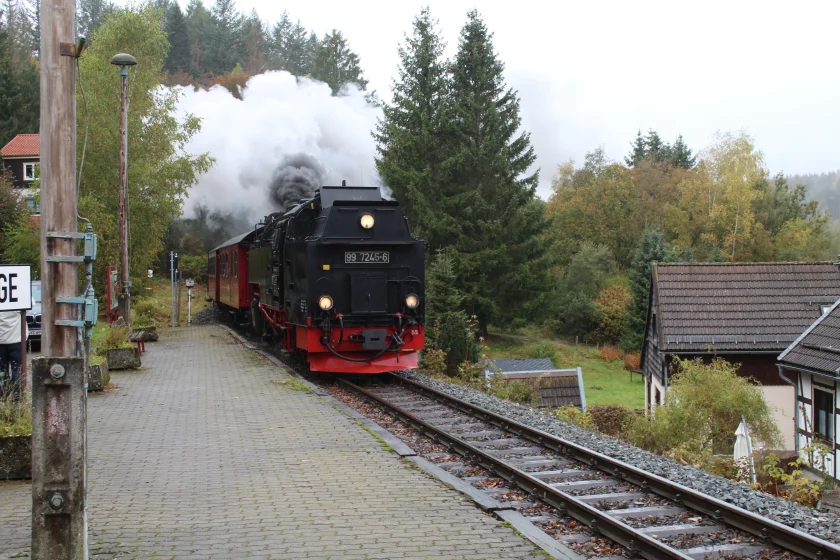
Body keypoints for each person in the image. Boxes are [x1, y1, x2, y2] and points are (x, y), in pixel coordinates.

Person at [0, 308, 26, 392]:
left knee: (2, 370)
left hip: (1, 340)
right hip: (16, 340)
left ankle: (3, 395)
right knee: (17, 369)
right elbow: (30, 304)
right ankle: (16, 395)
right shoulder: (17, 298)